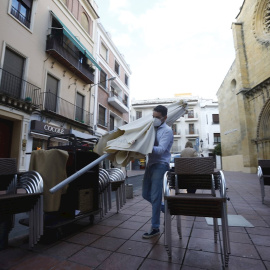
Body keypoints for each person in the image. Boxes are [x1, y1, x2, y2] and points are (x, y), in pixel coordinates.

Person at [142, 105, 173, 239]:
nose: (154, 119)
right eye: (153, 116)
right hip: (150, 164)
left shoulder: (167, 131)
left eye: (157, 117)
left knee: (155, 196)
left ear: (165, 118)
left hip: (161, 165)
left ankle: (155, 227)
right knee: (145, 194)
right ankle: (165, 208)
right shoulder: (151, 128)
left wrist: (144, 145)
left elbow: (160, 150)